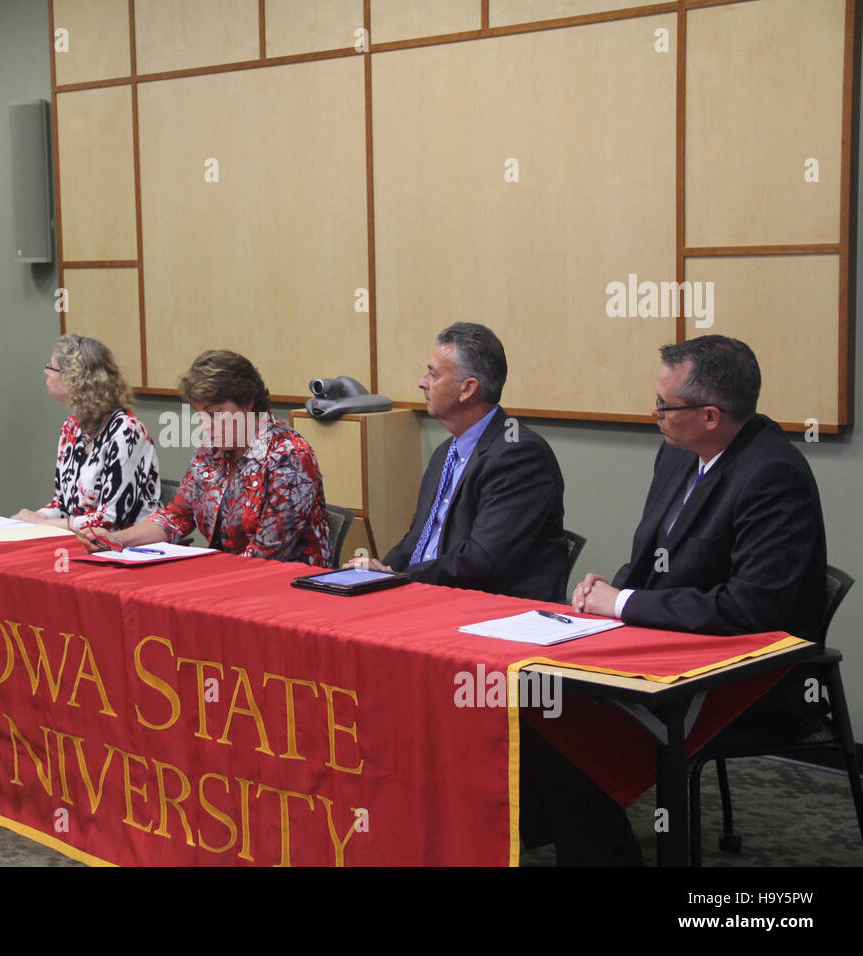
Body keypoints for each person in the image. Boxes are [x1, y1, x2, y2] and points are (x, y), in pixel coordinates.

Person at [536, 335, 829, 866]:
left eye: (664, 405)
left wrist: (622, 604)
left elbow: (750, 611)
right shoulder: (677, 455)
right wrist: (605, 591)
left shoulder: (772, 474)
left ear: (711, 416)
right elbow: (647, 561)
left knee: (569, 722)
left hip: (750, 681)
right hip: (669, 650)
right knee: (538, 701)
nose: (654, 413)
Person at [346, 322, 566, 601]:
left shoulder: (519, 455)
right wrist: (380, 573)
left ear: (467, 389)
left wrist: (399, 580)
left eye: (433, 374)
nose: (421, 382)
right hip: (431, 595)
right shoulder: (446, 452)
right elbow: (417, 539)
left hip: (492, 610)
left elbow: (482, 560)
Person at [79, 349, 331, 567]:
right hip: (229, 576)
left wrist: (203, 575)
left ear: (248, 403)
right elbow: (177, 516)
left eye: (215, 414)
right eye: (199, 414)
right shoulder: (211, 450)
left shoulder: (289, 456)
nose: (205, 426)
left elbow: (267, 555)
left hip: (287, 588)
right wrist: (116, 540)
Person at [11, 334, 160, 532]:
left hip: (127, 547)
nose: (46, 372)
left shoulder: (127, 431)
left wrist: (43, 523)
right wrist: (34, 517)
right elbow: (63, 505)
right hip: (82, 540)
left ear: (74, 379)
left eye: (52, 367)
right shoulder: (71, 427)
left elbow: (111, 520)